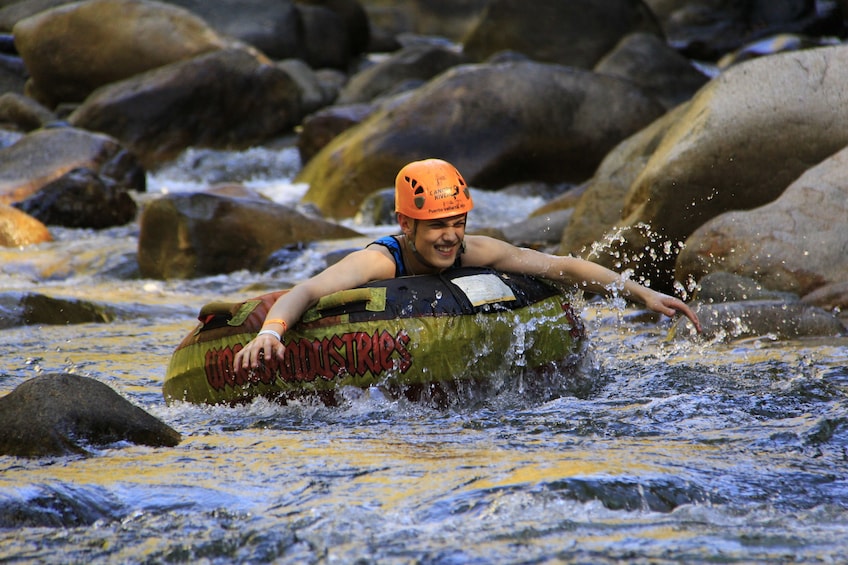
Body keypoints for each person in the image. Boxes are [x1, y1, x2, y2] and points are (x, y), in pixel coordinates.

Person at [234, 158, 701, 371]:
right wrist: (270, 332)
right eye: (436, 225)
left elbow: (560, 266)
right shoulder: (379, 261)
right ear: (405, 223)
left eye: (457, 221)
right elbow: (307, 292)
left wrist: (640, 292)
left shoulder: (472, 251)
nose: (450, 235)